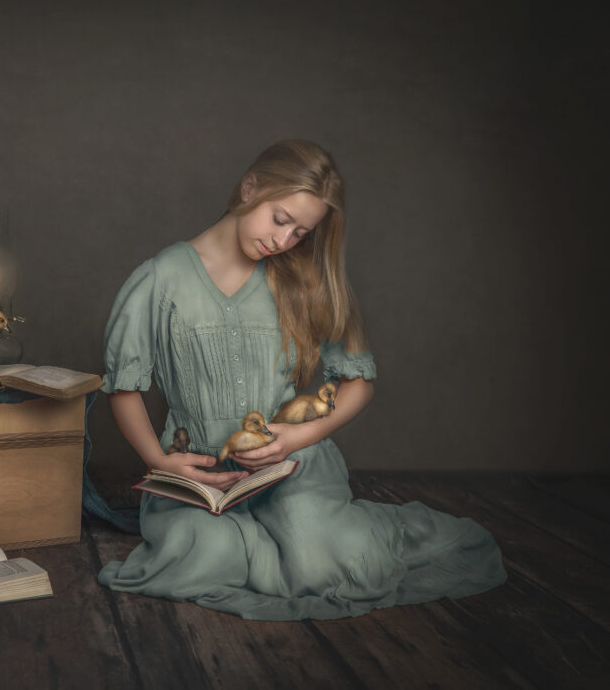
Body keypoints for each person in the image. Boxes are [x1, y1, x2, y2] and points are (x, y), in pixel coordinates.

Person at [97, 139, 506, 620]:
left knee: (324, 564)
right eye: (280, 218)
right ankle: (251, 543)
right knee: (204, 558)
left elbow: (359, 383)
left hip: (287, 466)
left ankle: (311, 535)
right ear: (250, 188)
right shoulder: (159, 277)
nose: (284, 240)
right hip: (198, 474)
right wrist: (158, 461)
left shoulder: (303, 280)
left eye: (299, 232)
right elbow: (124, 389)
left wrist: (300, 435)